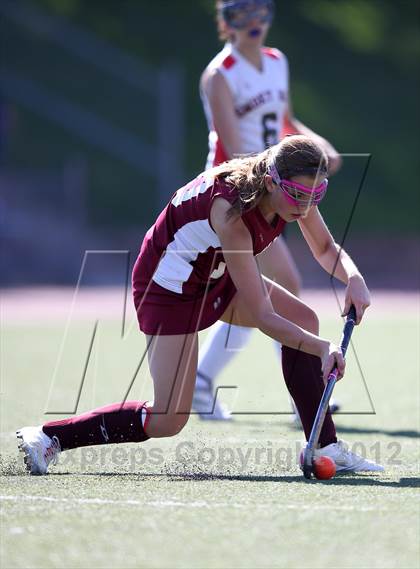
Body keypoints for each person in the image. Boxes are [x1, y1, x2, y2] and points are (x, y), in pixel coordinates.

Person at [17, 135, 383, 475]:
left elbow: (322, 247)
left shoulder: (291, 189)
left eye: (316, 196)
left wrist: (352, 276)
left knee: (302, 316)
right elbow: (261, 315)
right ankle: (51, 437)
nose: (305, 207)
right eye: (299, 196)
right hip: (167, 289)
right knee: (167, 418)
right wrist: (322, 349)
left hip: (212, 274)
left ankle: (324, 445)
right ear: (272, 182)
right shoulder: (233, 212)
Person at [194, 0, 342, 420]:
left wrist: (317, 144)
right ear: (227, 23)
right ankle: (306, 398)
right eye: (243, 15)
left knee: (258, 294)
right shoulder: (219, 75)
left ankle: (204, 383)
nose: (255, 23)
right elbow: (230, 149)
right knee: (285, 286)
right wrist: (270, 184)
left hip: (276, 192)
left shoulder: (277, 62)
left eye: (260, 12)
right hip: (236, 196)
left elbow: (285, 122)